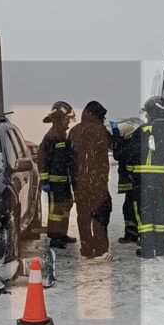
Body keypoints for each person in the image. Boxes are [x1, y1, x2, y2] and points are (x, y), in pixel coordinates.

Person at [130, 96, 164, 259]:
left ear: (153, 112)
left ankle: (147, 248)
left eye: (147, 112)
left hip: (144, 177)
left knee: (144, 212)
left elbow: (128, 153)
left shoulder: (142, 130)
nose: (146, 116)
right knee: (160, 210)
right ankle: (161, 246)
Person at [69, 101, 113, 260]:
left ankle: (86, 247)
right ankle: (100, 247)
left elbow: (69, 159)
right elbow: (114, 145)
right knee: (101, 213)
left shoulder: (74, 131)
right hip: (98, 182)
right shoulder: (100, 130)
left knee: (83, 214)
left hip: (79, 182)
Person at [38, 101, 77, 249]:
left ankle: (62, 234)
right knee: (56, 210)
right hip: (55, 183)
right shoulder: (51, 136)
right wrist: (45, 181)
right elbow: (42, 160)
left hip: (63, 181)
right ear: (59, 118)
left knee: (65, 207)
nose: (69, 121)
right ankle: (55, 238)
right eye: (67, 118)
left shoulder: (62, 135)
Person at [109, 118, 143, 244]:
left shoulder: (130, 143)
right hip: (131, 181)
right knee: (129, 208)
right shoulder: (131, 141)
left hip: (132, 181)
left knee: (132, 209)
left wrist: (117, 135)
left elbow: (118, 155)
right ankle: (131, 234)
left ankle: (135, 234)